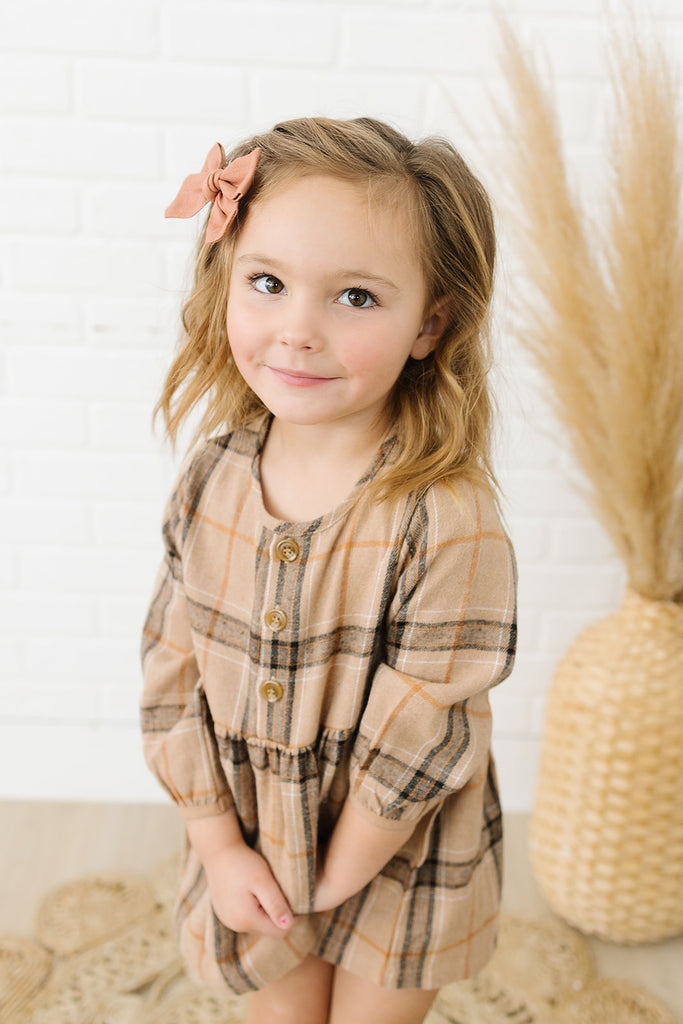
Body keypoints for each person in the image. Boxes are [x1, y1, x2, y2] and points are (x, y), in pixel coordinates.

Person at [140, 116, 517, 1024]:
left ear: (430, 323)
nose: (297, 331)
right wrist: (219, 846)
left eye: (354, 297)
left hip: (395, 853)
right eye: (267, 283)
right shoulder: (212, 476)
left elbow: (426, 725)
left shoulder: (444, 517)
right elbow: (171, 670)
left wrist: (333, 877)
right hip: (251, 835)